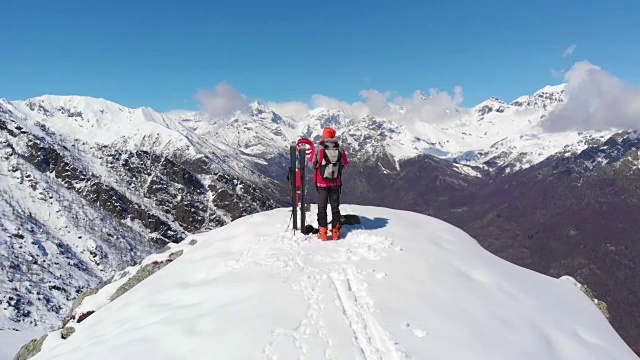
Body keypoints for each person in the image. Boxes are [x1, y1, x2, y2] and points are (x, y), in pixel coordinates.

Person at [311, 127, 348, 241]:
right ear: (333, 136)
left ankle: (323, 232)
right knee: (335, 207)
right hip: (335, 183)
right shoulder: (340, 148)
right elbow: (345, 163)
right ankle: (335, 232)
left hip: (321, 183)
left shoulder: (319, 148)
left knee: (322, 207)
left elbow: (312, 164)